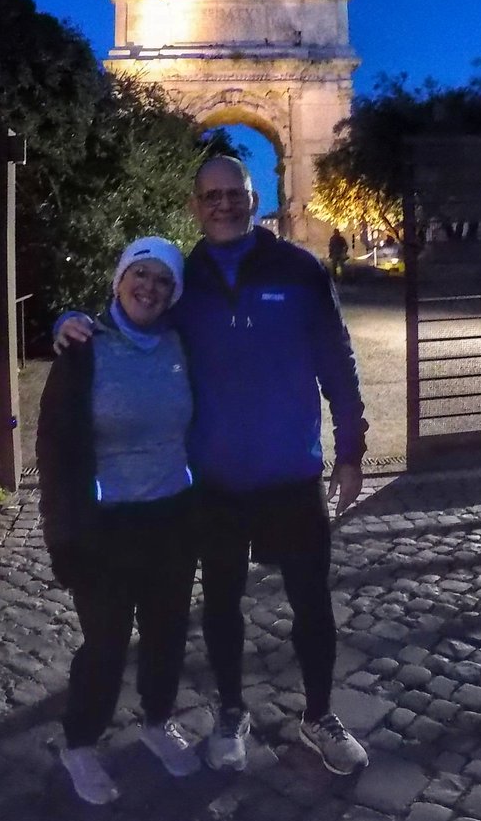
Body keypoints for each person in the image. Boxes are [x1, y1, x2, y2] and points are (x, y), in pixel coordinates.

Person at [56, 155, 370, 777]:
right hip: (215, 481)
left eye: (234, 193)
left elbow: (337, 360)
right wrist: (71, 320)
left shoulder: (300, 269)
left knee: (313, 604)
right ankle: (231, 712)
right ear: (195, 205)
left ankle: (319, 715)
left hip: (292, 471)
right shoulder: (184, 279)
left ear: (254, 198)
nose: (223, 204)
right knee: (223, 604)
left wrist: (352, 449)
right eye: (211, 195)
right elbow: (132, 315)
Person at [37, 237, 201, 805]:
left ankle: (157, 721)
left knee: (166, 633)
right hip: (105, 525)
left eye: (163, 280)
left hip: (173, 516)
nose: (150, 288)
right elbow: (54, 450)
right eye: (141, 274)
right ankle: (80, 743)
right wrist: (62, 535)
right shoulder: (84, 346)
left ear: (174, 293)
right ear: (119, 280)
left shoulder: (182, 342)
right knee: (105, 642)